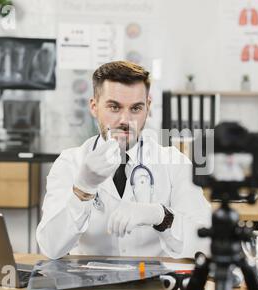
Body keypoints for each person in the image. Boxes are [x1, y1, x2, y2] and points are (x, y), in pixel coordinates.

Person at [36, 61, 211, 260]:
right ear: (94, 107)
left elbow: (206, 246)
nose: (125, 120)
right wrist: (83, 189)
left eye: (136, 108)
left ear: (148, 107)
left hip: (155, 286)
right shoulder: (70, 163)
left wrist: (162, 216)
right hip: (89, 285)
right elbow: (50, 248)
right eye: (114, 107)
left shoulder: (174, 163)